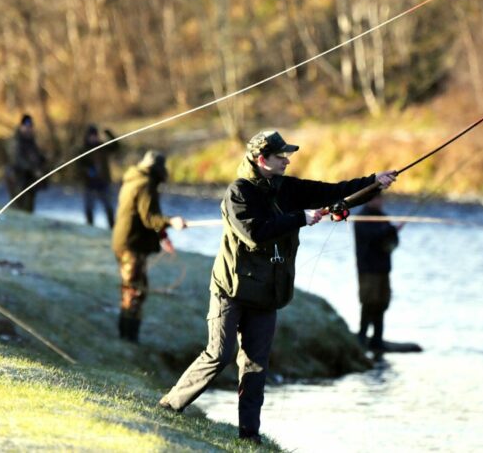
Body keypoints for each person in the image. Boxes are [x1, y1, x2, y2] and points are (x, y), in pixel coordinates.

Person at [158, 130, 397, 443]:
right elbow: (255, 232)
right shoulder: (238, 193)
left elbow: (332, 191)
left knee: (256, 366)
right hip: (231, 289)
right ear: (262, 160)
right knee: (220, 354)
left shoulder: (287, 188)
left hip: (267, 292)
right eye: (281, 156)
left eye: (287, 155)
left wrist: (374, 182)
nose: (287, 160)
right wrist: (301, 218)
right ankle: (169, 405)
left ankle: (249, 436)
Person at [111, 150, 186, 343]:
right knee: (134, 290)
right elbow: (150, 218)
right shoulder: (145, 185)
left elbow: (144, 214)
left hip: (126, 242)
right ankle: (128, 338)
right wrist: (172, 222)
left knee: (135, 288)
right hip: (131, 244)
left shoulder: (133, 180)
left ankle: (127, 336)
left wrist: (162, 235)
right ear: (157, 170)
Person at [353, 192, 399, 351]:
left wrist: (393, 234)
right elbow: (371, 236)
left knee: (382, 303)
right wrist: (391, 229)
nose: (379, 201)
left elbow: (392, 242)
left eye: (381, 198)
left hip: (383, 269)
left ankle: (377, 338)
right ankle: (362, 336)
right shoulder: (361, 218)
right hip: (367, 269)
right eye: (376, 198)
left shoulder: (384, 218)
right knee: (368, 302)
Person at [5, 114, 46, 212]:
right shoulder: (15, 142)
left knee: (29, 209)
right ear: (21, 126)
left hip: (29, 180)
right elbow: (16, 160)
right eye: (26, 127)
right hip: (16, 179)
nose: (28, 129)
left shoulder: (31, 141)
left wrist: (42, 160)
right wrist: (33, 170)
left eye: (30, 127)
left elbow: (36, 157)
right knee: (18, 208)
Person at [79, 124, 118, 228]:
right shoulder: (82, 150)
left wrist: (109, 134)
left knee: (109, 207)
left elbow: (116, 146)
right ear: (87, 137)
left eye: (95, 135)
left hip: (104, 183)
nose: (94, 138)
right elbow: (78, 167)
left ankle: (112, 228)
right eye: (91, 136)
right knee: (89, 208)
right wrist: (87, 170)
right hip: (89, 184)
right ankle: (89, 227)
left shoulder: (102, 147)